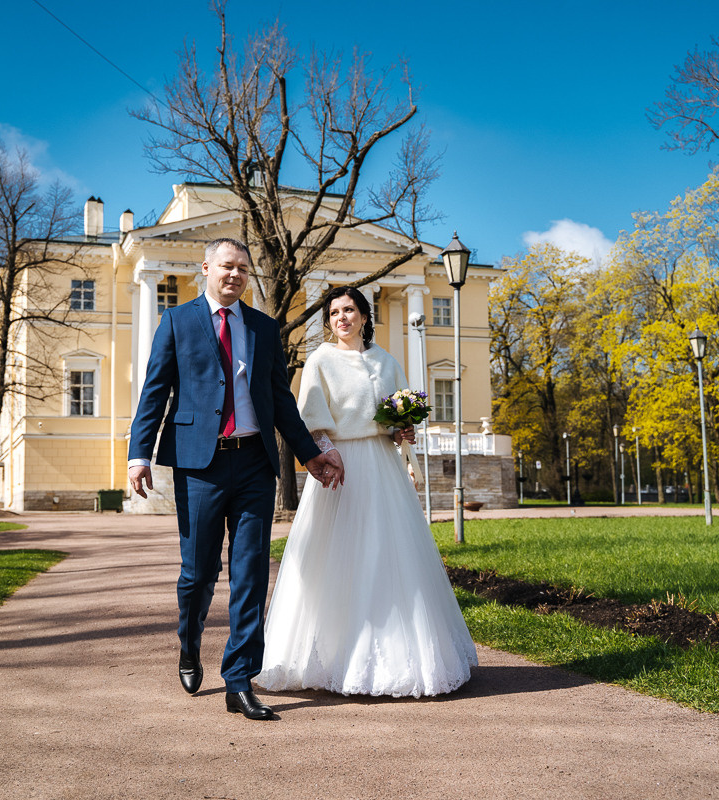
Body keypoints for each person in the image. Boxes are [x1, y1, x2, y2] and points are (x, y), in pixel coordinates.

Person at [128, 238, 345, 721]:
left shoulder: (265, 329)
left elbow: (280, 402)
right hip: (199, 465)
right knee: (198, 573)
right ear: (205, 268)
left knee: (249, 573)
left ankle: (239, 680)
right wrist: (138, 455)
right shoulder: (176, 321)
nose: (235, 275)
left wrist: (311, 454)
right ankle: (189, 641)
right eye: (227, 266)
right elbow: (154, 392)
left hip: (253, 464)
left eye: (243, 269)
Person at [256, 286, 479, 697]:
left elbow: (398, 418)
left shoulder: (386, 360)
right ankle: (336, 654)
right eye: (335, 312)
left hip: (383, 465)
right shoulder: (321, 360)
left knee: (390, 555)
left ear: (363, 315)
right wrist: (324, 454)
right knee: (338, 558)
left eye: (349, 310)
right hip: (341, 465)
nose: (342, 317)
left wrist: (403, 428)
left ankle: (397, 656)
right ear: (329, 321)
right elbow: (312, 421)